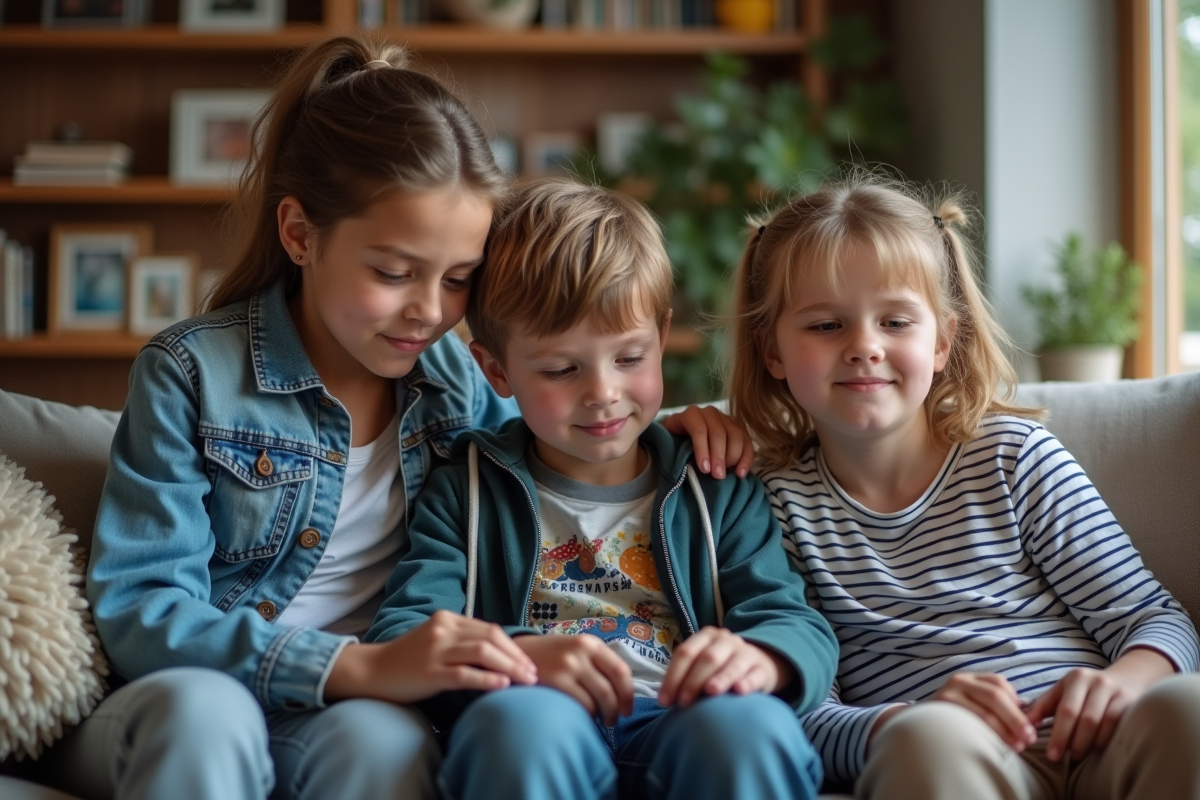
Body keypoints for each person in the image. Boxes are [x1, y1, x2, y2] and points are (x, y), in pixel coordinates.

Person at [44, 37, 746, 800]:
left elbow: (572, 419)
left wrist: (674, 432)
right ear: (300, 235)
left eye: (457, 280)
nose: (429, 311)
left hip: (362, 701)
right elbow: (143, 609)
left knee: (385, 745)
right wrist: (356, 666)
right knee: (209, 718)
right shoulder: (191, 373)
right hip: (194, 690)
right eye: (393, 273)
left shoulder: (454, 377)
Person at [726, 170, 1200, 800]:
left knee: (1186, 708)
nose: (865, 346)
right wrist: (900, 721)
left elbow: (1155, 620)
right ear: (771, 352)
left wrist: (1126, 681)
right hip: (953, 761)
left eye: (896, 322)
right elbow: (801, 711)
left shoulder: (1014, 457)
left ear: (944, 340)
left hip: (1098, 739)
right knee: (930, 741)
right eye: (825, 326)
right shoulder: (772, 505)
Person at [366, 178, 839, 800]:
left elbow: (793, 620)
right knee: (520, 727)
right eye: (562, 369)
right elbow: (405, 630)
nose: (603, 392)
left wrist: (764, 659)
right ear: (496, 369)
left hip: (686, 720)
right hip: (540, 720)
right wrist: (523, 657)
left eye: (629, 357)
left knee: (748, 730)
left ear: (662, 338)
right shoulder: (466, 487)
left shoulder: (715, 478)